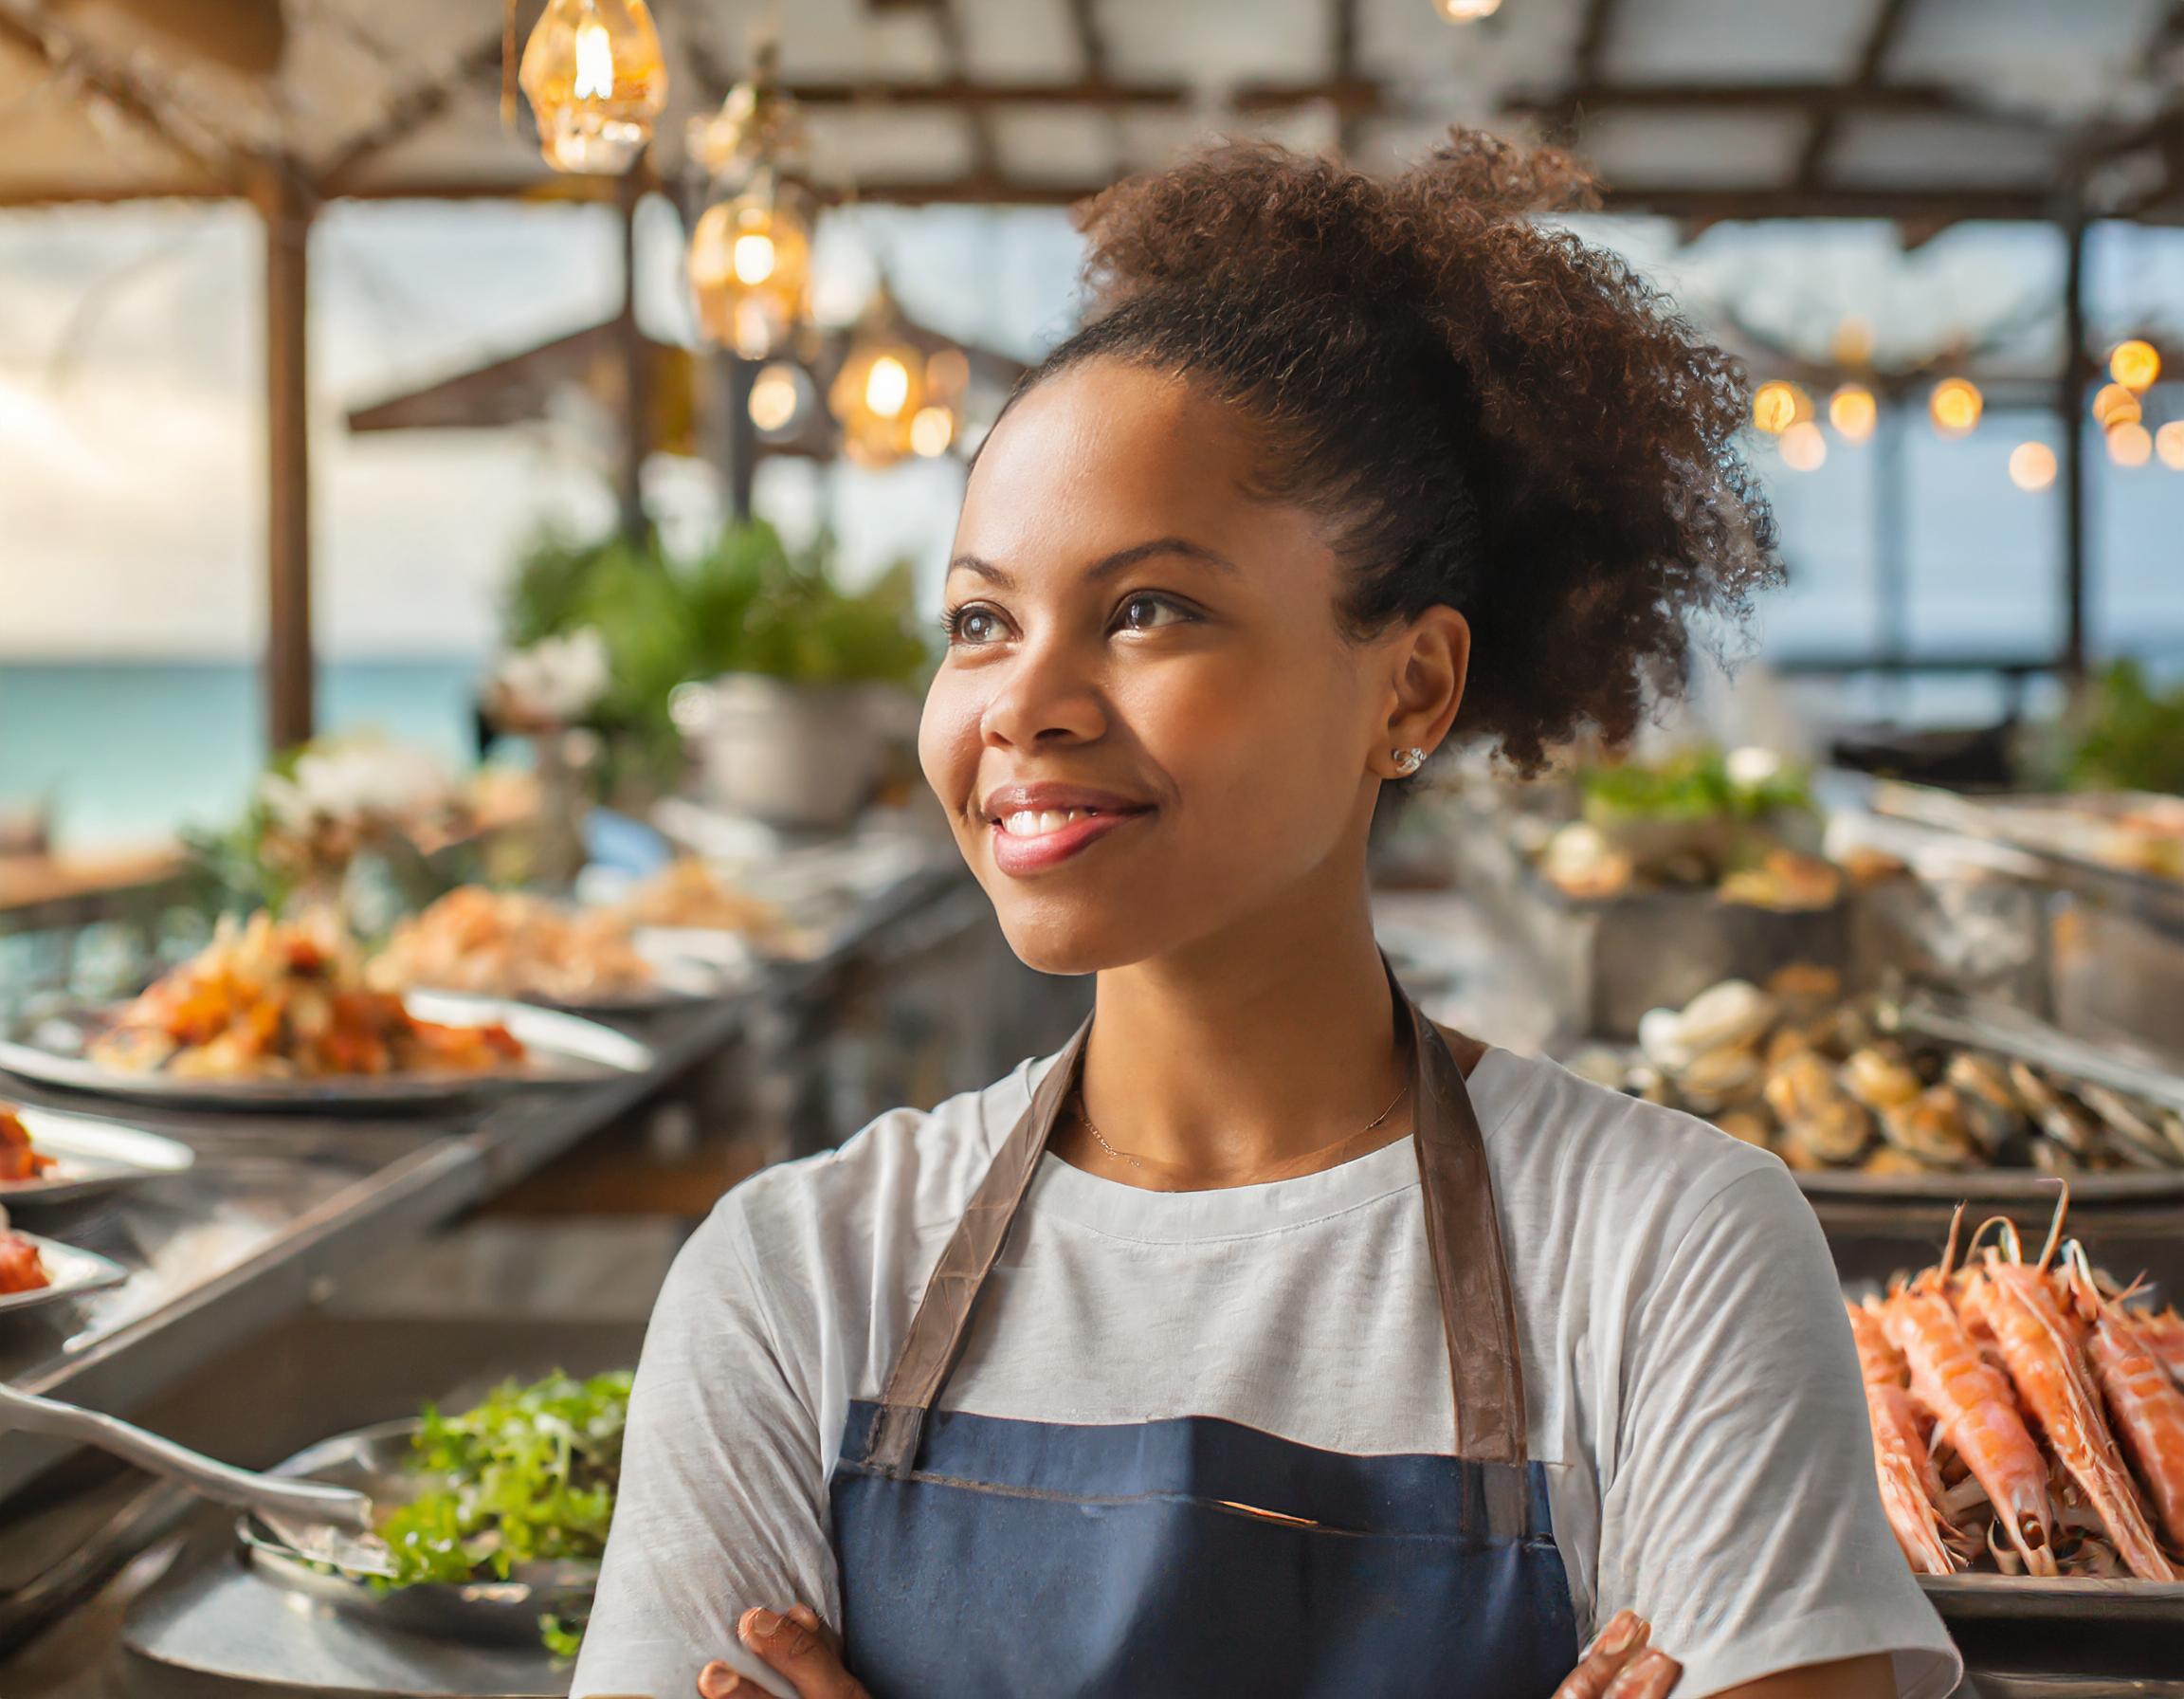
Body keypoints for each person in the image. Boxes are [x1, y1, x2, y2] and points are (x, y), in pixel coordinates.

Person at [570, 129, 1961, 1699]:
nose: (1024, 703)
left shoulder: (1669, 1255)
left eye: (1148, 609)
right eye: (978, 620)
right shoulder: (792, 1284)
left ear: (1411, 687)